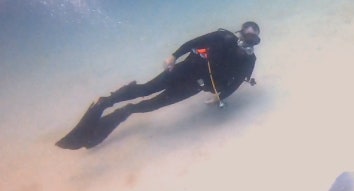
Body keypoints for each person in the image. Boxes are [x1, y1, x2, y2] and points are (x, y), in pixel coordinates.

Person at [56, 21, 261, 150]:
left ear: (255, 42)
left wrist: (220, 96)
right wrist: (173, 56)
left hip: (193, 86)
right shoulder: (222, 38)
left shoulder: (248, 61)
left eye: (252, 41)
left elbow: (235, 83)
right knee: (147, 89)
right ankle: (105, 102)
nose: (246, 43)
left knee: (154, 104)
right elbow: (192, 42)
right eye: (245, 37)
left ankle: (125, 111)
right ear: (239, 34)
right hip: (183, 70)